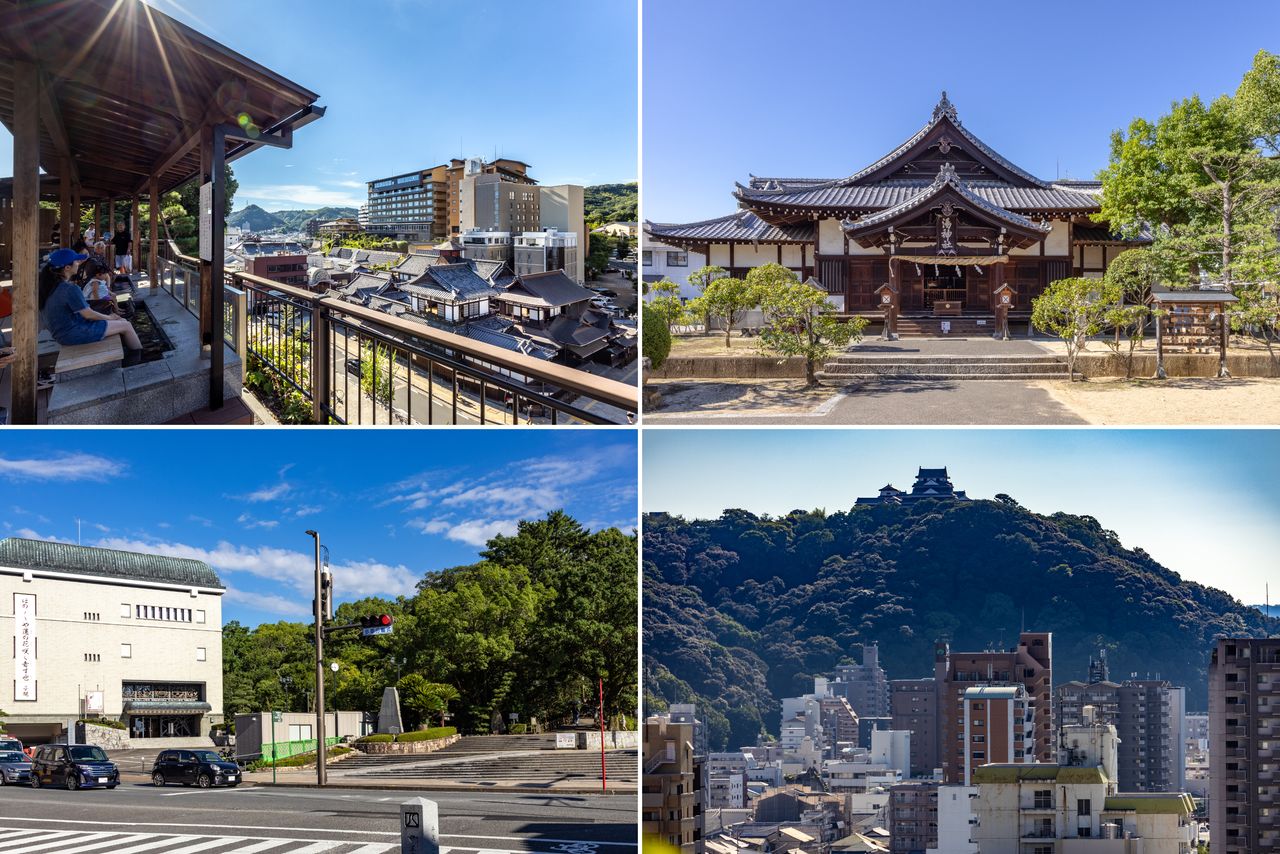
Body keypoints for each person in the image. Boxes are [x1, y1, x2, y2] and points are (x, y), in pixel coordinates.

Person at [39, 248, 143, 365]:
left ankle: (129, 354)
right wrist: (109, 317)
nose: (78, 264)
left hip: (61, 333)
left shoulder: (48, 287)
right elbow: (88, 314)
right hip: (73, 333)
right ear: (67, 268)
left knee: (122, 320)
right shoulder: (69, 289)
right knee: (127, 325)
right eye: (76, 262)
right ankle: (137, 362)